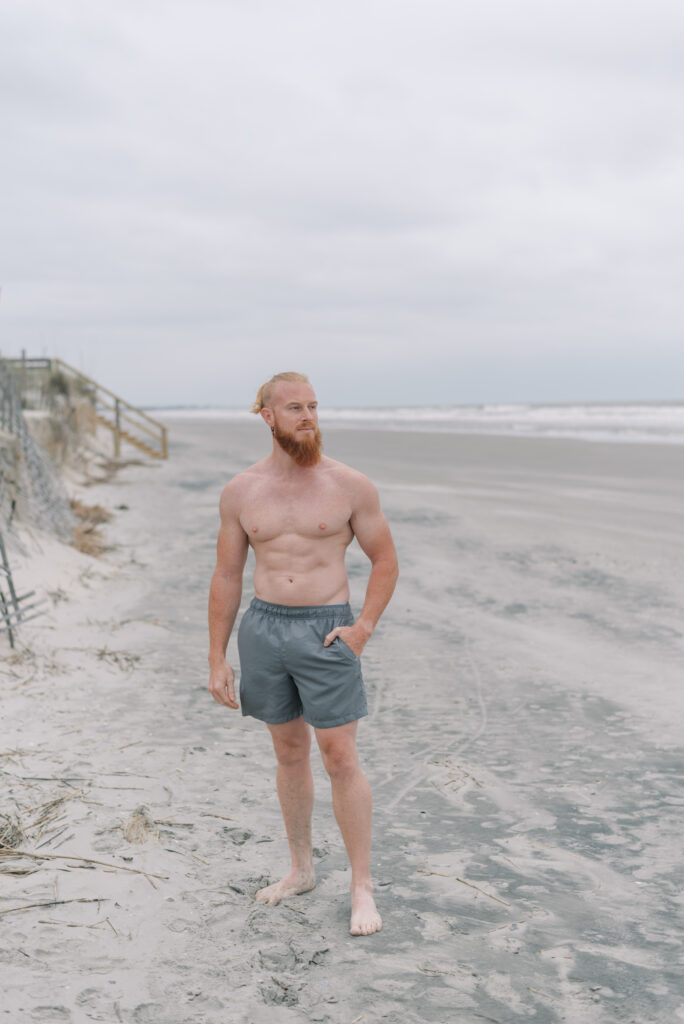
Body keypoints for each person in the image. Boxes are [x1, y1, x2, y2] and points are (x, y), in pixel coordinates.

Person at [208, 371, 398, 936]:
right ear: (266, 416)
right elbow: (226, 574)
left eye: (313, 406)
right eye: (295, 408)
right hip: (263, 628)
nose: (308, 416)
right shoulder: (241, 491)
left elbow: (385, 560)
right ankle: (300, 869)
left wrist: (362, 626)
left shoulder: (349, 485)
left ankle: (361, 887)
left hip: (326, 631)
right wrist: (217, 657)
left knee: (340, 756)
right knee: (289, 753)